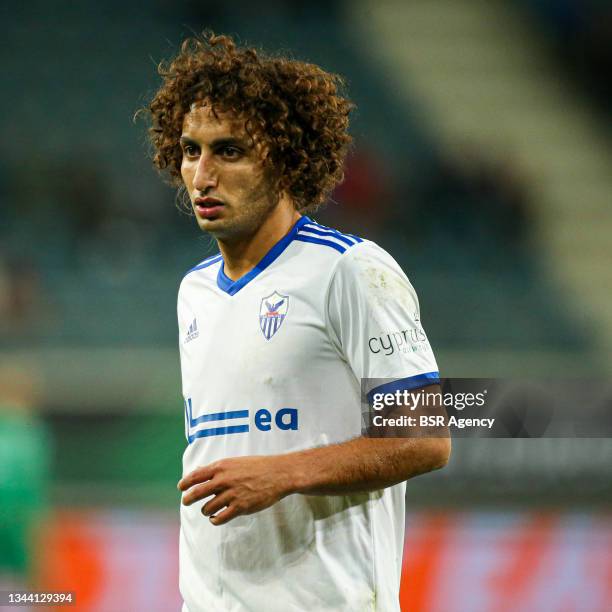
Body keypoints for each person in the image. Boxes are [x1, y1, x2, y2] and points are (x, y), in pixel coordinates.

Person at [143, 32, 450, 612]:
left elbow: (429, 438)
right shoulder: (195, 291)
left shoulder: (351, 270)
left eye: (229, 151)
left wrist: (284, 473)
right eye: (190, 150)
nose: (202, 176)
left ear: (285, 157)